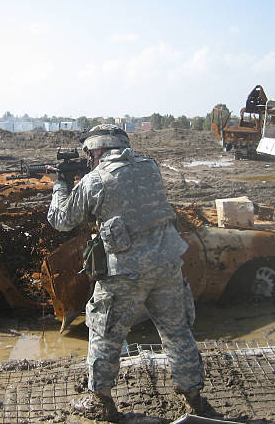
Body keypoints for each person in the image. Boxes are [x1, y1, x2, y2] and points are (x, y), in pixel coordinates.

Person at [47, 124, 204, 421]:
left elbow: (62, 219)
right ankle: (194, 399)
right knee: (177, 332)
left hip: (125, 272)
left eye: (90, 154)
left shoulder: (95, 180)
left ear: (96, 150)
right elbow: (128, 195)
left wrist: (60, 184)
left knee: (105, 335)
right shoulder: (150, 168)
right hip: (167, 264)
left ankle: (101, 403)